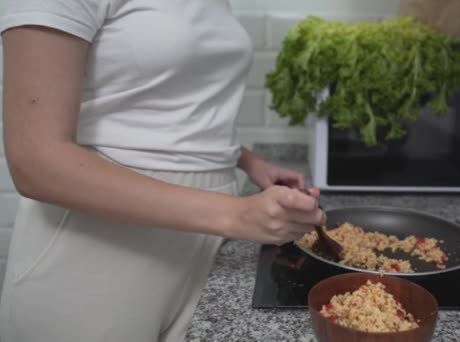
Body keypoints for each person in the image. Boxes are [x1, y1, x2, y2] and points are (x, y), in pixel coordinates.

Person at [0, 0, 326, 341]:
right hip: (96, 250)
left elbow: (165, 103)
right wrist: (237, 214)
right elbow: (35, 160)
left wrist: (243, 159)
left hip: (203, 240)